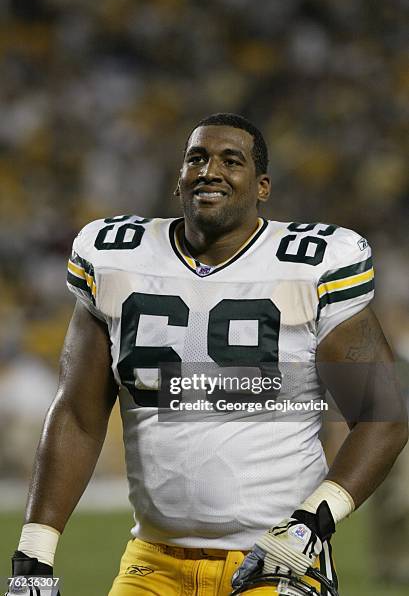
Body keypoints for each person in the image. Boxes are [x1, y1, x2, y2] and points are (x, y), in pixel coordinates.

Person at [8, 113, 407, 595]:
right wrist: (35, 546)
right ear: (178, 180)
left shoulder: (314, 263)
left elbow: (383, 415)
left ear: (262, 187)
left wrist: (312, 522)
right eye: (196, 158)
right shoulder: (117, 258)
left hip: (276, 559)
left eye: (230, 160)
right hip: (152, 561)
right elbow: (78, 413)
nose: (209, 170)